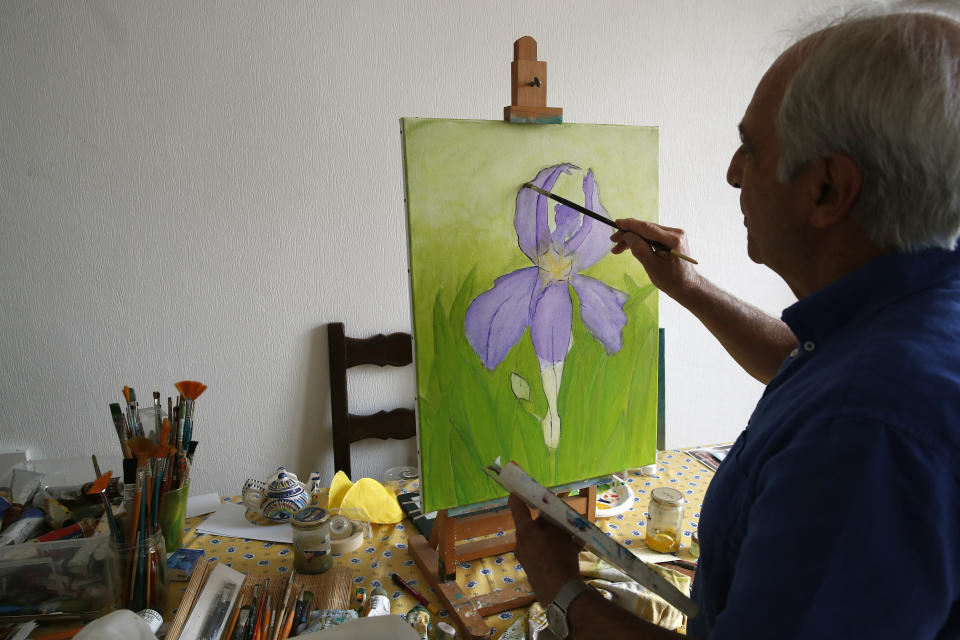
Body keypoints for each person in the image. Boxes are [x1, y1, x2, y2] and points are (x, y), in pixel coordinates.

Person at [509, 4, 960, 638]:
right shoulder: (920, 309)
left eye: (751, 148)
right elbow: (811, 364)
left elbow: (851, 403)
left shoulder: (868, 430)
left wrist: (563, 592)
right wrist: (687, 286)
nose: (732, 172)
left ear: (827, 189)